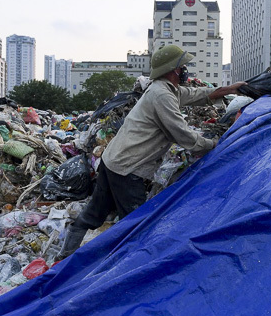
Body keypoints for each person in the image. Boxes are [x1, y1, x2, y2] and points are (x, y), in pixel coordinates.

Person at [56, 45, 247, 259]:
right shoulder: (161, 95)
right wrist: (214, 144)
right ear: (174, 69)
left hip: (113, 160)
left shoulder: (166, 90)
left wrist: (231, 89)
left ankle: (65, 255)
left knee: (95, 213)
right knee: (137, 225)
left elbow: (198, 94)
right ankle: (127, 266)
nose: (185, 70)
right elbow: (181, 133)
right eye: (183, 66)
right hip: (128, 167)